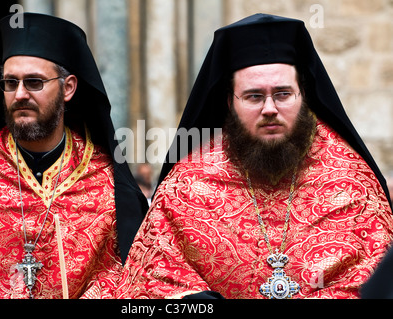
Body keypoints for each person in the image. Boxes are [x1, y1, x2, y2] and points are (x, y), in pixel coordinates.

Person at [115, 14, 393, 299]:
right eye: (254, 96)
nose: (270, 108)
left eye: (283, 94)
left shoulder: (352, 181)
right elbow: (153, 280)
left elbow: (378, 280)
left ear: (303, 96)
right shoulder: (186, 185)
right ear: (230, 102)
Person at [0, 13, 147, 299]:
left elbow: (138, 279)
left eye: (34, 82)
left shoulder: (107, 183)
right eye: (10, 83)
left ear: (68, 87)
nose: (20, 94)